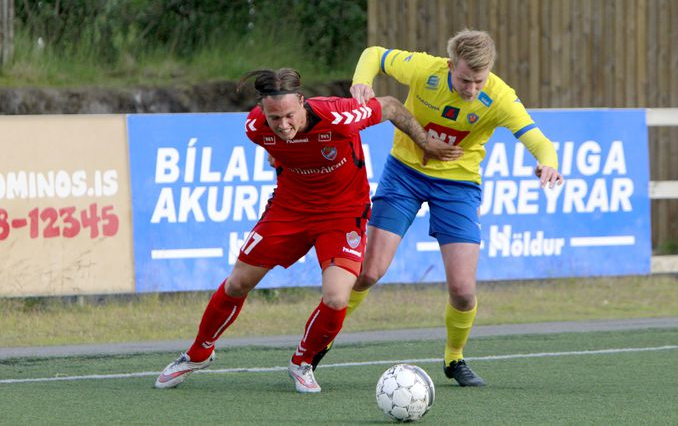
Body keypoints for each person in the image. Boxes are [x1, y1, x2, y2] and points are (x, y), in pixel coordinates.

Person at [154, 68, 461, 393]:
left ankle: (302, 362)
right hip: (290, 209)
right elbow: (273, 143)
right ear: (263, 112)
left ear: (302, 102)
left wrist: (425, 142)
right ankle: (198, 352)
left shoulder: (340, 115)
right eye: (275, 118)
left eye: (289, 115)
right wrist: (278, 154)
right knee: (237, 283)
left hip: (342, 214)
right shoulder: (255, 126)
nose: (283, 125)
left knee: (336, 297)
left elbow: (392, 107)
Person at [311, 29, 565, 386]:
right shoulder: (425, 70)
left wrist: (547, 163)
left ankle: (454, 358)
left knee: (463, 292)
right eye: (464, 79)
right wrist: (361, 83)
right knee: (369, 272)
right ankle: (321, 340)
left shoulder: (500, 97)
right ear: (450, 65)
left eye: (479, 81)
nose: (471, 89)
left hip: (458, 186)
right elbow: (374, 54)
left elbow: (537, 138)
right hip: (404, 175)